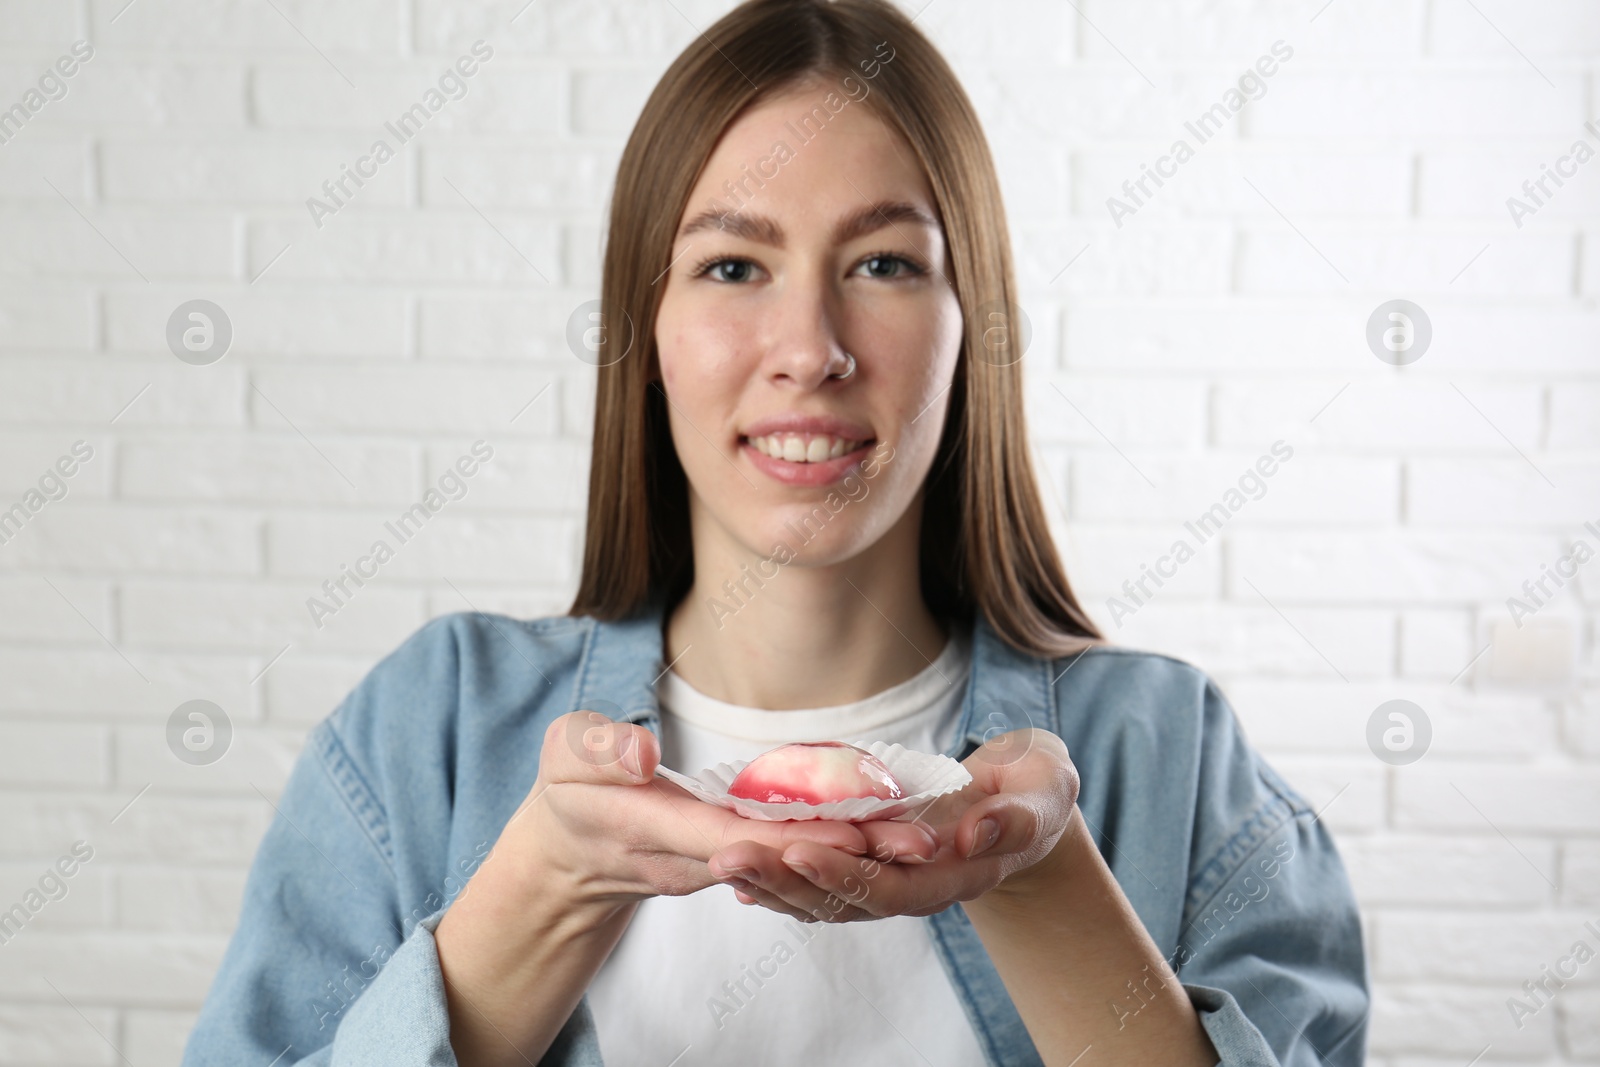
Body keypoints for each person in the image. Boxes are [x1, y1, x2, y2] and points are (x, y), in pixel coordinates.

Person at [180, 1, 1369, 1063]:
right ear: (645, 331)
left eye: (885, 263)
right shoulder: (426, 735)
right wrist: (534, 894)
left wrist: (1041, 877)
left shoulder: (1173, 757)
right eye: (734, 263)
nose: (810, 346)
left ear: (973, 328)